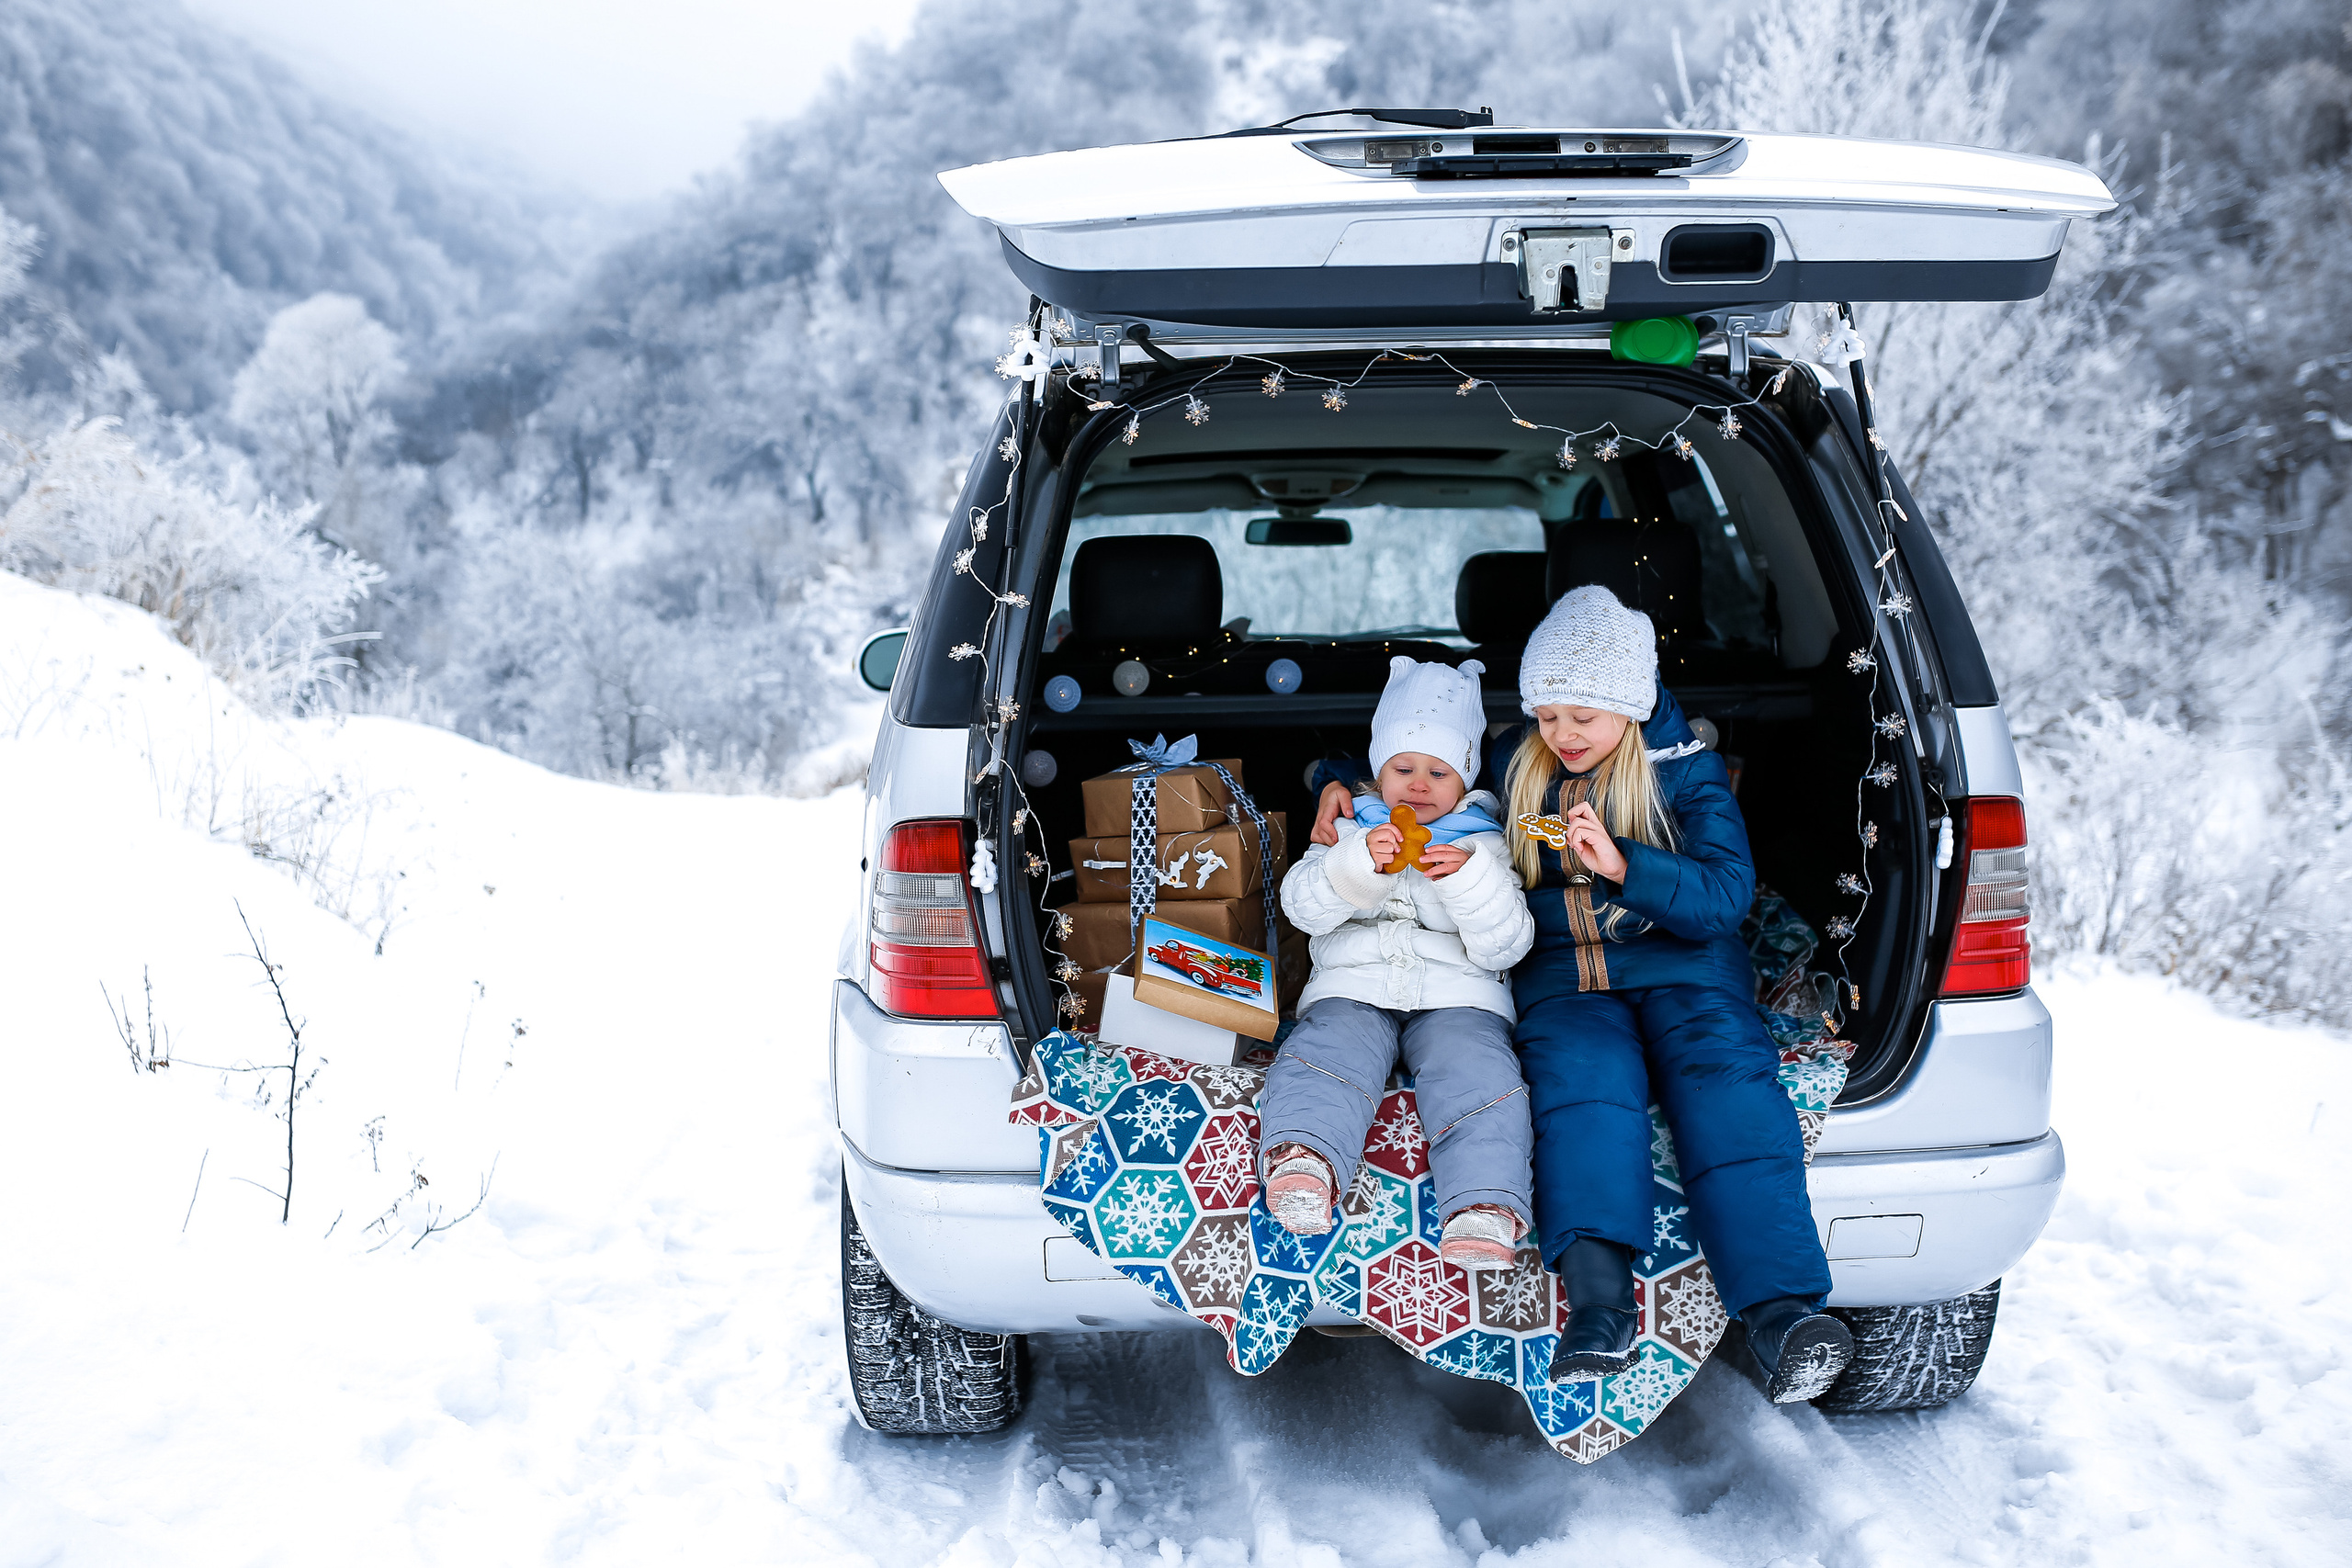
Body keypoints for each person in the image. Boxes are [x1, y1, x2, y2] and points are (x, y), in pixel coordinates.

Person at [1306, 587, 1853, 1404]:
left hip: (1686, 971)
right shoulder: (1519, 761)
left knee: (1730, 1092)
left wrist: (1628, 865)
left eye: (1583, 718)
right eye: (1547, 714)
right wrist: (1337, 781)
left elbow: (1725, 896)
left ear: (1630, 707)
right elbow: (1423, 765)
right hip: (1566, 981)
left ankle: (1782, 1313)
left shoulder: (1687, 774)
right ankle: (1600, 1306)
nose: (1562, 734)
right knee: (1581, 1095)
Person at [1258, 657, 1538, 1271]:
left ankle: (1483, 1203)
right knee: (1325, 1051)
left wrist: (1469, 881)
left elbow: (1507, 946)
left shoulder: (1485, 841)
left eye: (1439, 772)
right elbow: (1301, 908)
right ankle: (1305, 1160)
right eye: (1403, 768)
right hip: (1355, 987)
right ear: (1378, 770)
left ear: (1465, 778)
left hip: (1458, 998)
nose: (1418, 785)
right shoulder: (1347, 827)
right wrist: (1355, 864)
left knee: (1480, 1075)